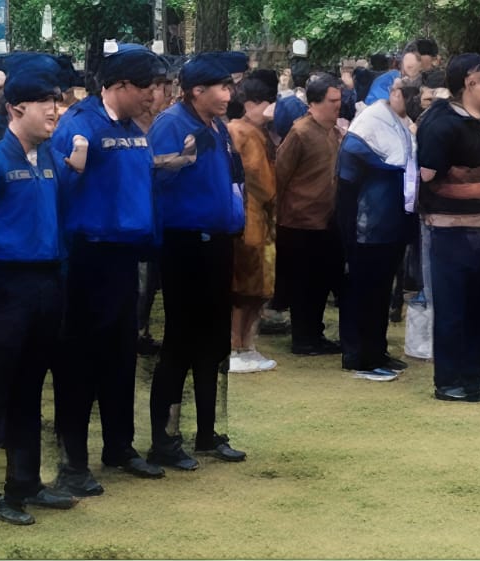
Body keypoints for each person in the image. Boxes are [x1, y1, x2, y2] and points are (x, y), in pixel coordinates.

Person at [0, 61, 76, 526]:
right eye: (47, 103)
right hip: (3, 287)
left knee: (30, 390)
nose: (56, 111)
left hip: (45, 284)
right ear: (17, 108)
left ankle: (25, 482)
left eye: (58, 102)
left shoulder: (45, 159)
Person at [52, 46, 167, 492]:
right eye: (146, 88)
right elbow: (61, 189)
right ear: (118, 86)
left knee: (121, 355)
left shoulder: (133, 128)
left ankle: (119, 446)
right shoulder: (80, 126)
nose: (153, 97)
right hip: (87, 257)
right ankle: (72, 462)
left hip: (125, 255)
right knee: (81, 360)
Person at [147, 52, 250, 473]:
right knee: (181, 342)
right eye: (222, 87)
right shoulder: (172, 124)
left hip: (218, 243)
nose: (229, 94)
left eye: (230, 86)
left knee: (213, 341)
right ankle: (164, 438)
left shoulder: (218, 127)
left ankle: (208, 431)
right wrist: (179, 162)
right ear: (196, 91)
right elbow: (154, 177)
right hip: (185, 243)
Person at [418, 54, 480, 402]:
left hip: (479, 229)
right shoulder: (441, 123)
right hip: (448, 230)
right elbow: (427, 181)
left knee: (476, 307)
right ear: (469, 83)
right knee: (452, 309)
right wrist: (477, 187)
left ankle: (471, 374)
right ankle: (449, 380)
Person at [336, 74, 418, 380]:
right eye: (399, 91)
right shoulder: (366, 130)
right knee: (364, 292)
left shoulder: (396, 124)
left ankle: (377, 350)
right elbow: (348, 187)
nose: (405, 98)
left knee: (381, 292)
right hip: (367, 228)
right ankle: (359, 356)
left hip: (390, 225)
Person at [276, 74, 345, 356]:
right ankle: (303, 338)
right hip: (299, 221)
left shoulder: (335, 133)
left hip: (326, 220)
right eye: (332, 102)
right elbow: (280, 175)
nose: (338, 106)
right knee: (303, 284)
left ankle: (314, 333)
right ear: (314, 103)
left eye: (340, 101)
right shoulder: (301, 132)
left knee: (321, 281)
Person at [227, 74, 279, 374]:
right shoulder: (239, 132)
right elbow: (261, 182)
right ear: (250, 104)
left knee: (257, 291)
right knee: (242, 290)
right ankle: (235, 346)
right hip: (247, 220)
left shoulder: (260, 133)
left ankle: (248, 344)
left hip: (262, 220)